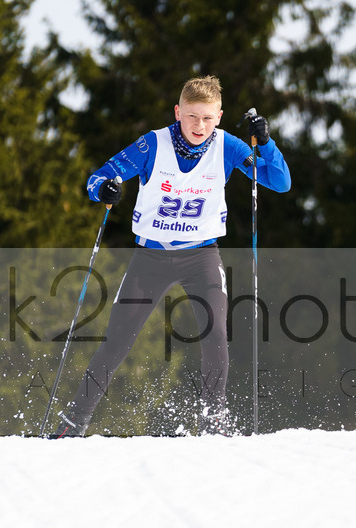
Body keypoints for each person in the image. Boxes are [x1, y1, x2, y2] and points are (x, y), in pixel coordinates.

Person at [50, 75, 291, 437]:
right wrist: (106, 189)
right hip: (152, 258)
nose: (200, 126)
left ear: (219, 117)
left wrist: (267, 143)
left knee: (215, 338)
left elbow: (279, 180)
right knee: (117, 341)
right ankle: (74, 423)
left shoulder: (227, 146)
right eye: (192, 116)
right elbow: (98, 178)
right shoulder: (153, 145)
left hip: (202, 257)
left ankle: (214, 424)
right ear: (178, 112)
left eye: (208, 118)